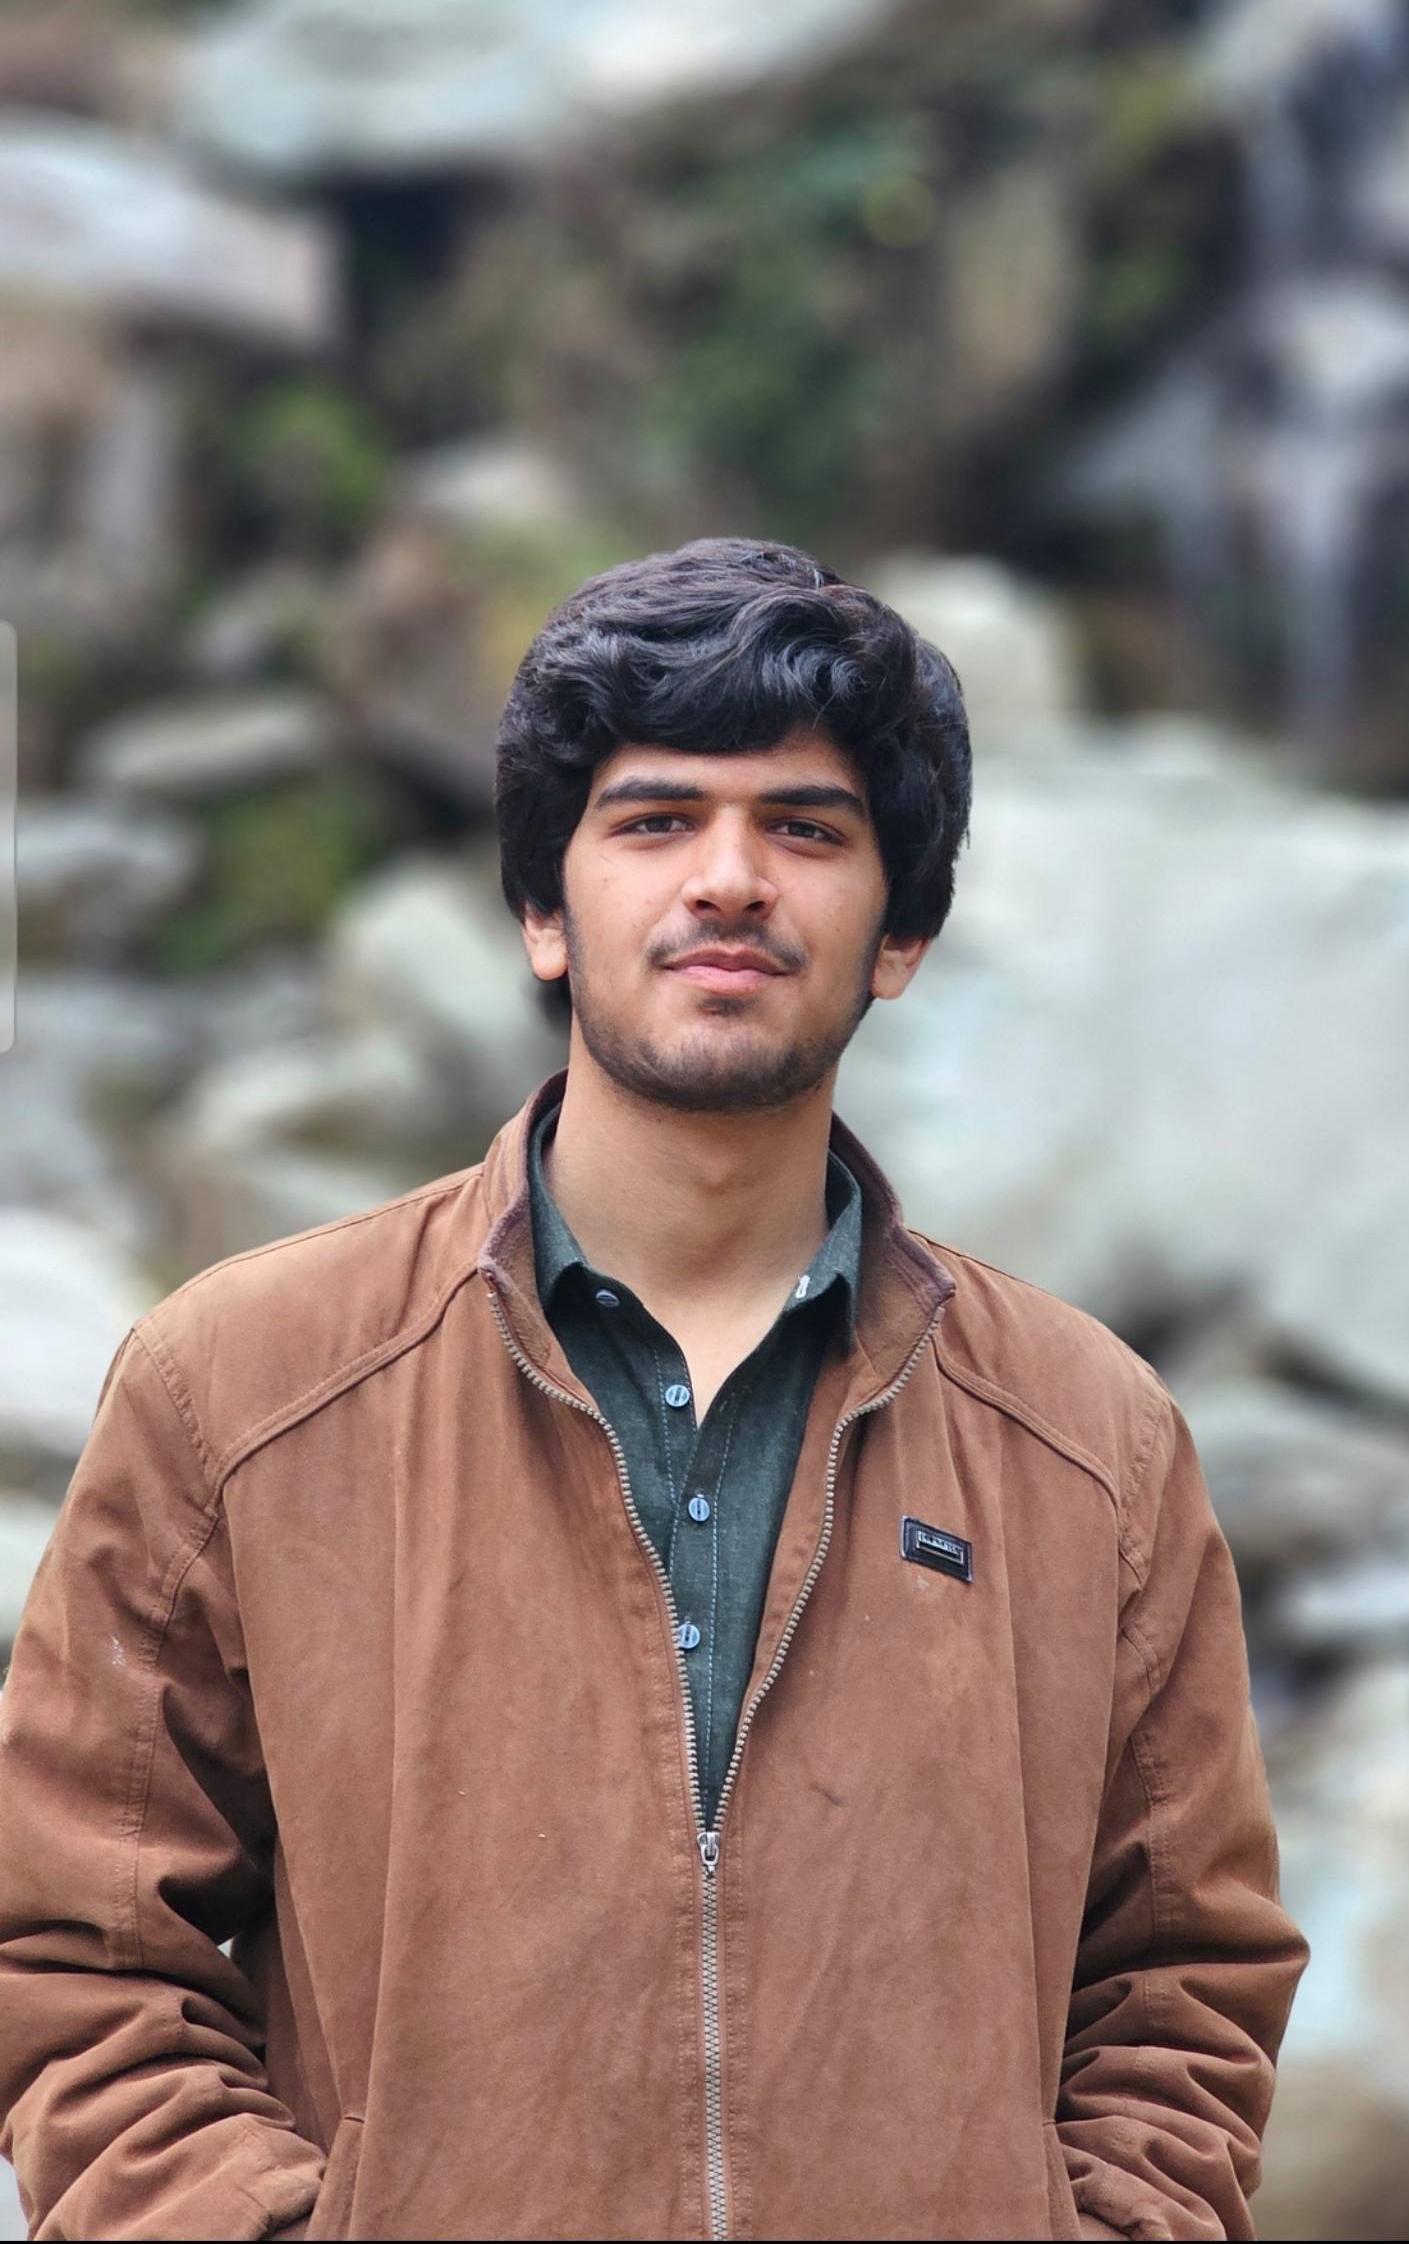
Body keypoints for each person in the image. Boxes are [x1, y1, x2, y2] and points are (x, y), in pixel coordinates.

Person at [0, 537, 1307, 2241]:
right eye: (655, 820)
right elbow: (81, 1944)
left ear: (900, 931)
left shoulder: (1089, 1439)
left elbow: (1184, 1980)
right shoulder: (241, 1390)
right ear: (544, 912)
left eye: (805, 829)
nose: (730, 879)